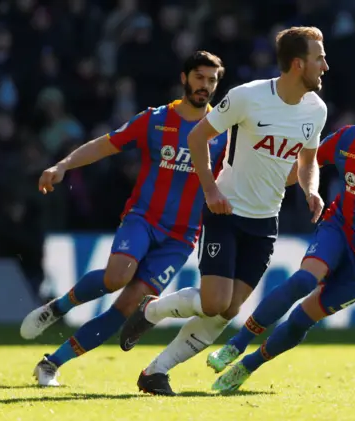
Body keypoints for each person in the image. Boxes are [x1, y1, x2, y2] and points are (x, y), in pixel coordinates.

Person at [118, 26, 329, 395]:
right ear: (298, 64)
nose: (325, 65)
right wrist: (211, 189)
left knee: (229, 311)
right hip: (226, 213)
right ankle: (152, 311)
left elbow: (308, 160)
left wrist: (311, 188)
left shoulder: (316, 110)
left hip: (265, 222)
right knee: (214, 301)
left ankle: (155, 372)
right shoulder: (248, 97)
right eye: (319, 57)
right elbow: (197, 137)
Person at [208, 75, 355, 392]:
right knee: (303, 279)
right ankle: (237, 343)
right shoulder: (345, 140)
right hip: (340, 226)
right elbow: (305, 164)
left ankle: (247, 367)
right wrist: (263, 182)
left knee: (302, 319)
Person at [18, 51, 228, 387]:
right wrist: (63, 165)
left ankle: (51, 363)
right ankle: (58, 308)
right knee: (117, 276)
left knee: (129, 304)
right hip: (143, 218)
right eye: (200, 77)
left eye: (212, 80)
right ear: (184, 78)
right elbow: (107, 145)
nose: (205, 86)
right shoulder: (156, 119)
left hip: (181, 236)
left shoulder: (222, 131)